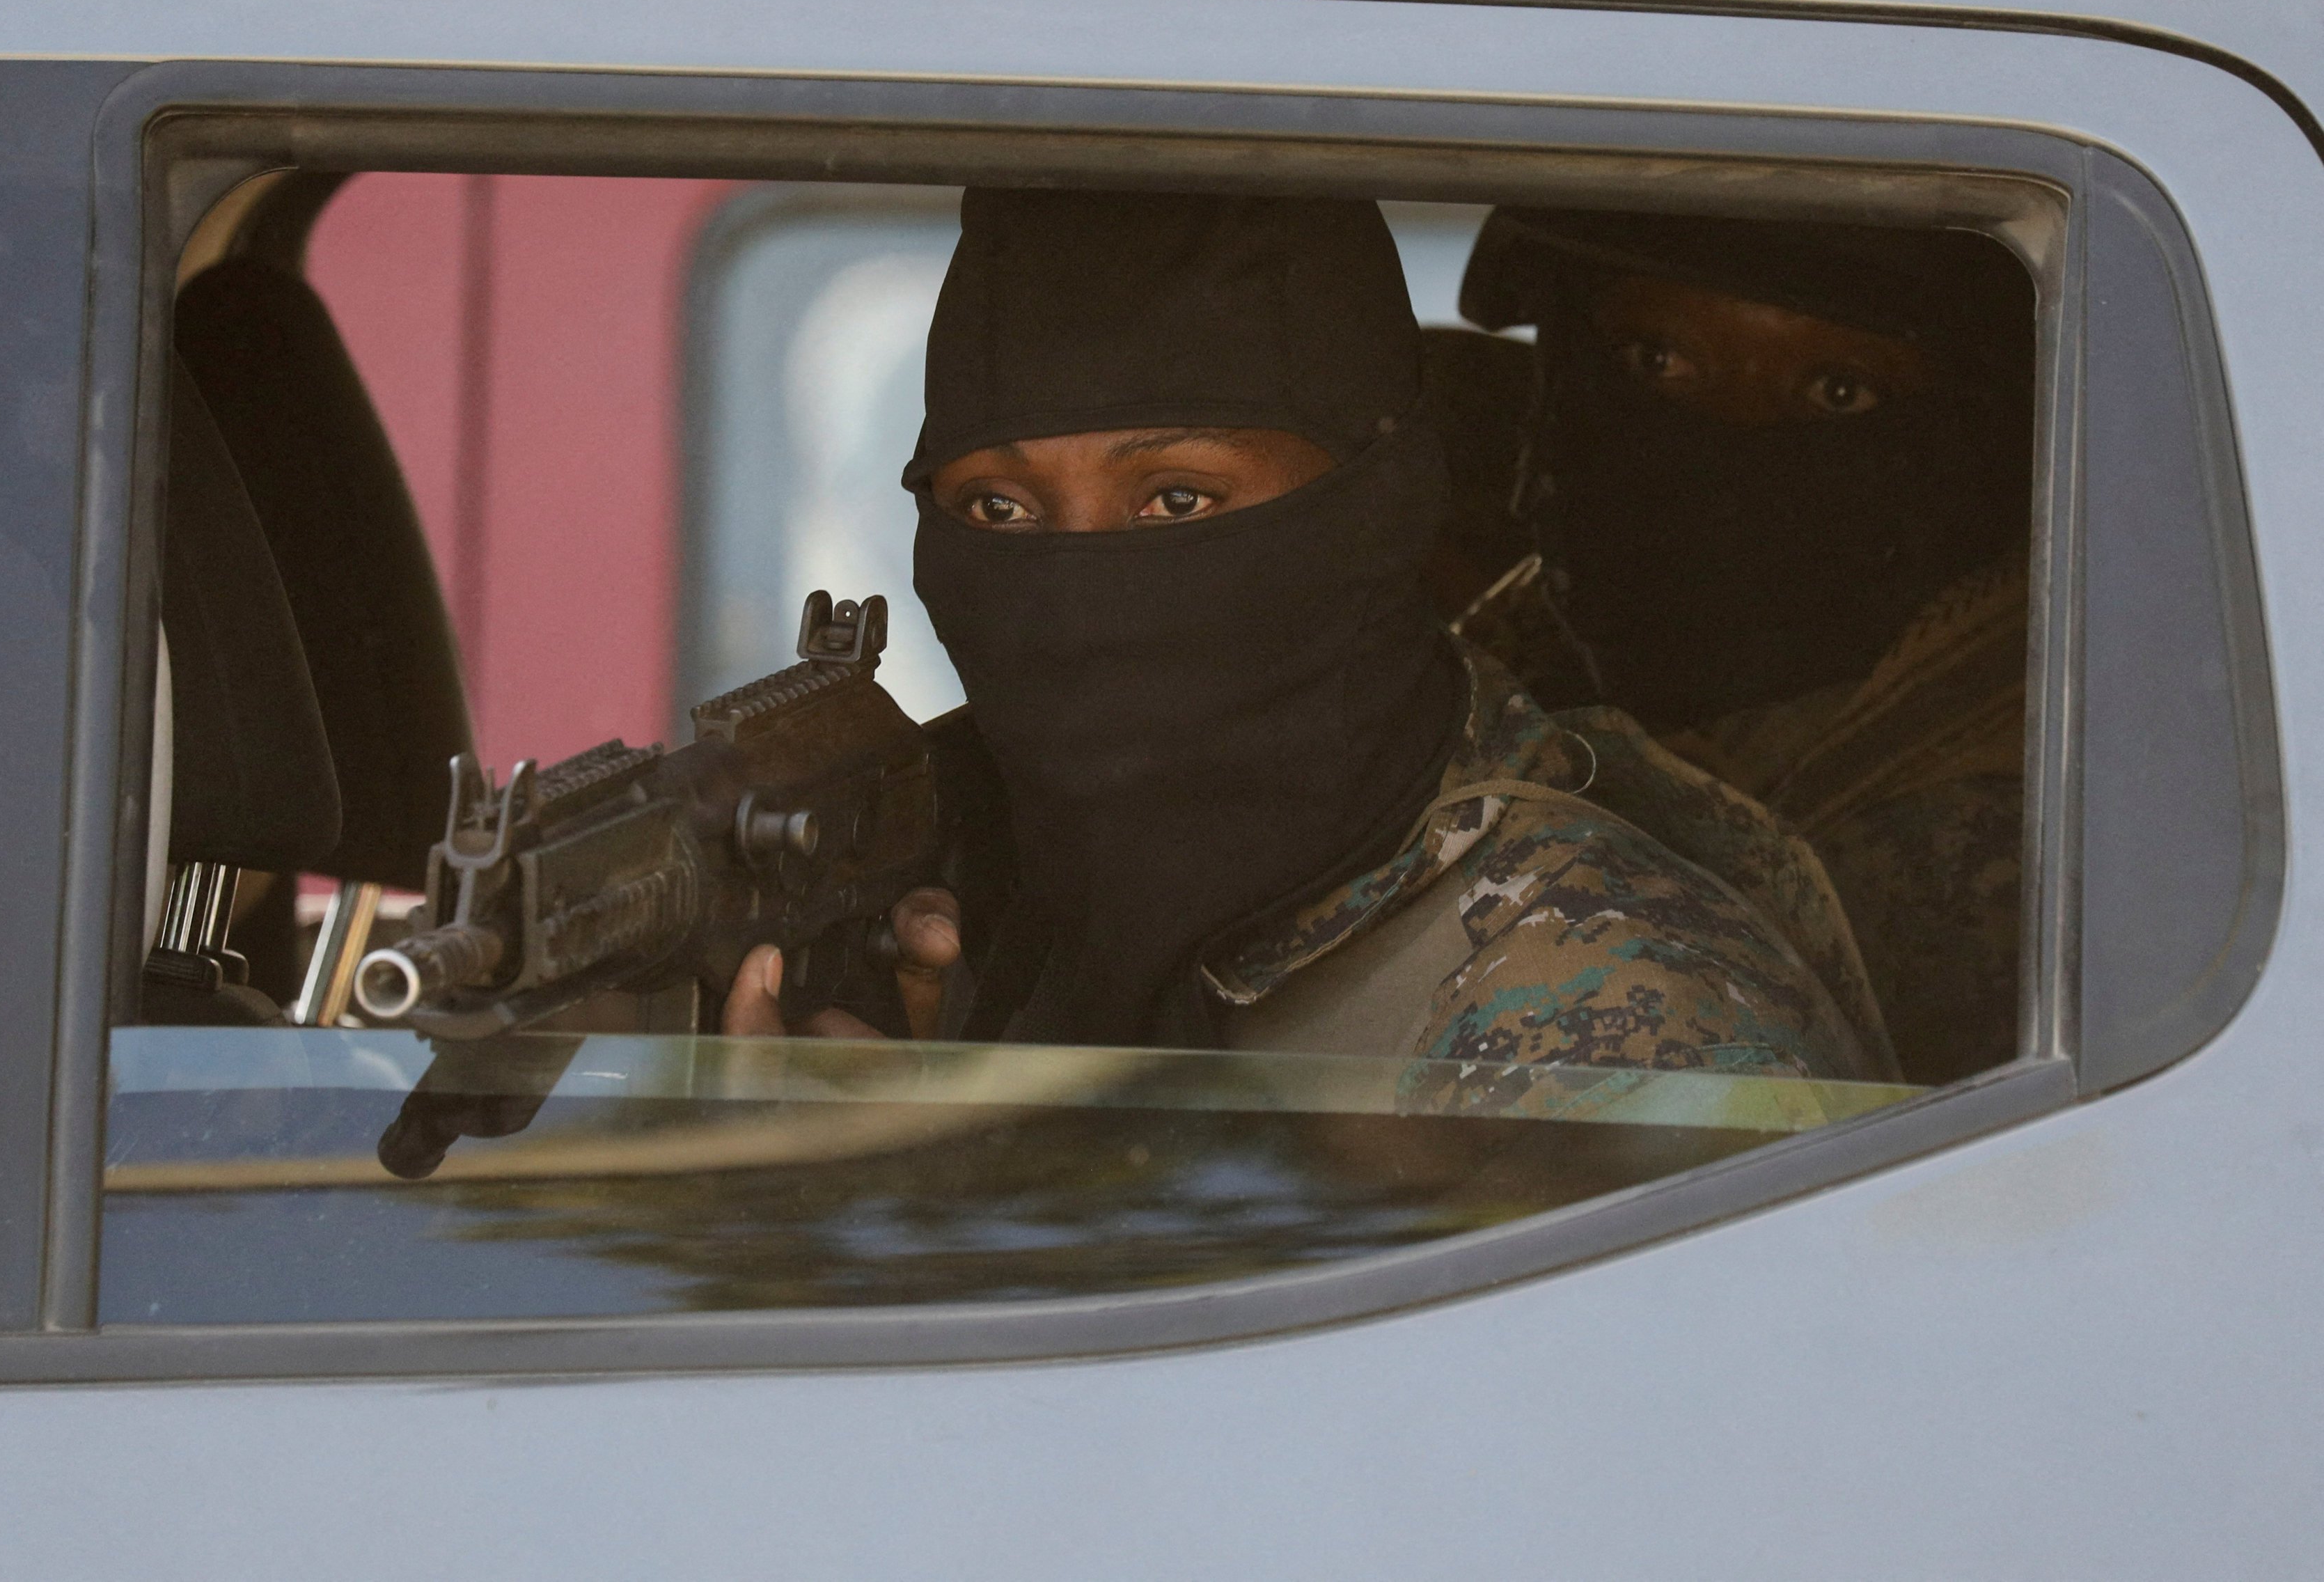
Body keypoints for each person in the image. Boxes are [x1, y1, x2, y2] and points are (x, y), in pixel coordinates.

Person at [725, 188, 1890, 1084]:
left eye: (1178, 501)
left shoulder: (1606, 1014)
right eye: (999, 510)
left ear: (1377, 506)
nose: (1073, 584)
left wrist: (892, 1213)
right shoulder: (986, 883)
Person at [1451, 207, 2034, 1084]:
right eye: (1659, 360)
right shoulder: (1498, 667)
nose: (1725, 430)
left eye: (1839, 390)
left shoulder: (2033, 831)